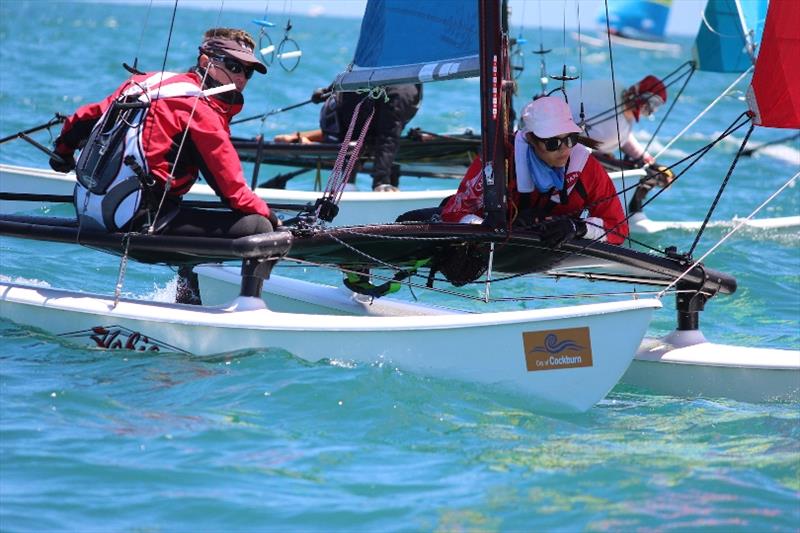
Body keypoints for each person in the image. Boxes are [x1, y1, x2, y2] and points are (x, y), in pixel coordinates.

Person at [48, 27, 278, 303]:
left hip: (90, 212)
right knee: (258, 228)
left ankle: (188, 297)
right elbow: (234, 193)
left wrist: (62, 154)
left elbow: (85, 116)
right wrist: (275, 221)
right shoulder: (199, 109)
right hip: (138, 225)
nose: (241, 78)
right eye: (233, 66)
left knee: (189, 212)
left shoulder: (146, 83)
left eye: (248, 72)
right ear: (206, 61)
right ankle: (249, 309)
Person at [442, 96, 628, 246]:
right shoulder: (498, 159)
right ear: (531, 139)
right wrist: (488, 227)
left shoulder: (587, 168)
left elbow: (618, 230)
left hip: (552, 255)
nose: (564, 149)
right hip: (496, 245)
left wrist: (577, 228)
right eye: (553, 143)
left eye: (570, 139)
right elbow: (453, 212)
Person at [274, 84, 423, 192]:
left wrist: (328, 90)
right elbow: (388, 138)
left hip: (340, 118)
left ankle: (297, 137)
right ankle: (301, 141)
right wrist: (381, 181)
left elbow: (355, 72)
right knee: (356, 145)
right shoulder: (405, 93)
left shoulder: (400, 82)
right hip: (343, 125)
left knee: (360, 140)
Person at [567, 75, 674, 213]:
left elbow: (622, 138)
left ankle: (631, 211)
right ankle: (631, 212)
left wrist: (650, 161)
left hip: (576, 147)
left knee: (648, 169)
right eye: (651, 104)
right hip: (571, 152)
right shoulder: (611, 119)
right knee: (645, 174)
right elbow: (579, 144)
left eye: (655, 106)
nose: (650, 110)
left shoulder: (617, 94)